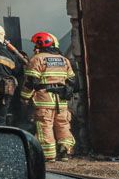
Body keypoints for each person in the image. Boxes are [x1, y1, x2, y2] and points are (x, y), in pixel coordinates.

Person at [20, 32, 77, 161]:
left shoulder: (37, 59)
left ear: (41, 45)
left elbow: (31, 82)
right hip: (61, 101)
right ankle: (65, 152)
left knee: (45, 126)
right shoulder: (64, 60)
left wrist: (24, 97)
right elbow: (72, 81)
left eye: (36, 45)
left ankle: (48, 155)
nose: (35, 48)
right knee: (63, 125)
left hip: (44, 101)